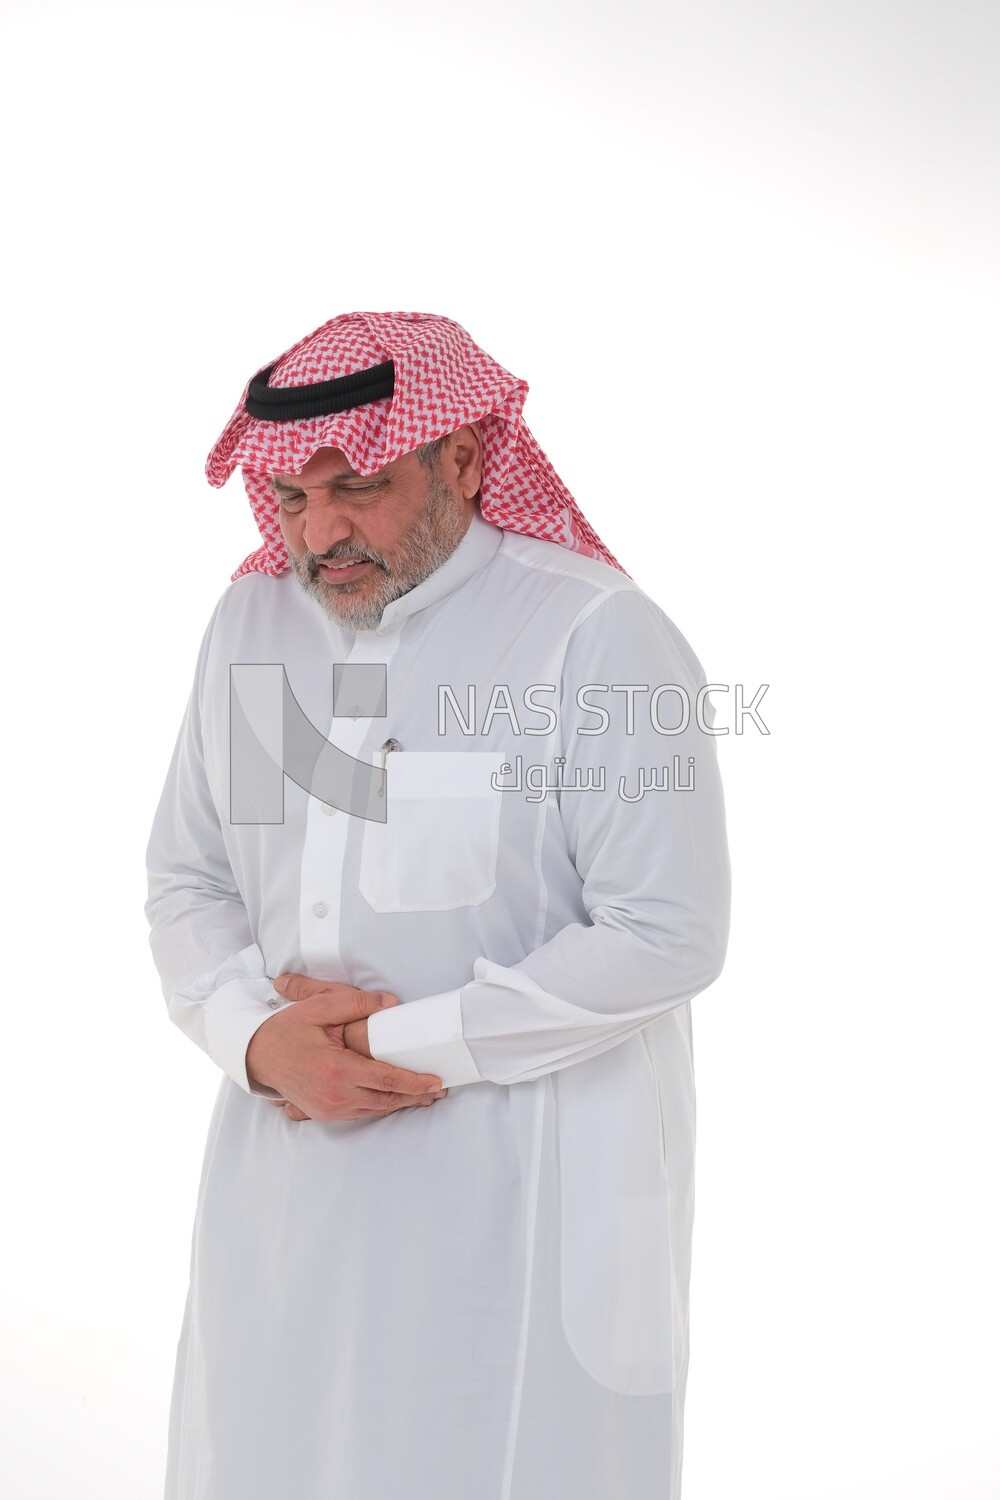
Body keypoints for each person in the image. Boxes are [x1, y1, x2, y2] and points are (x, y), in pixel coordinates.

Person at [146, 310, 731, 1500]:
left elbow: (667, 929)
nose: (319, 532)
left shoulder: (596, 633)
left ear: (462, 457)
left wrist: (379, 1048)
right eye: (294, 498)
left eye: (356, 487)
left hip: (520, 1198)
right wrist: (256, 1041)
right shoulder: (251, 626)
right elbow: (189, 878)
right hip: (287, 1184)